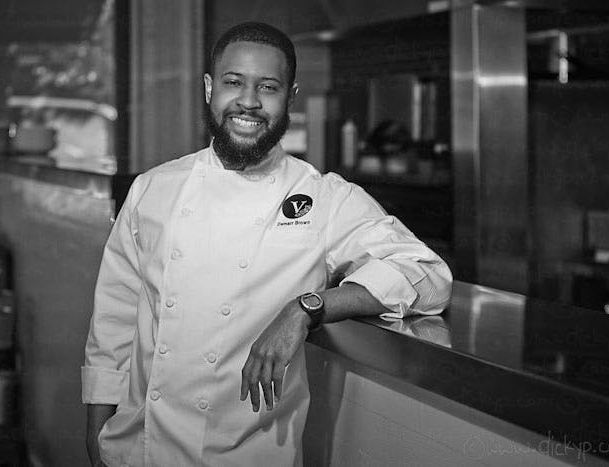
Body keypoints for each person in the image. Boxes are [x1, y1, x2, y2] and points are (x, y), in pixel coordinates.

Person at [82, 21, 452, 467]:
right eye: (233, 82)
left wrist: (306, 308)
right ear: (209, 88)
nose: (249, 102)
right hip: (136, 451)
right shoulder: (153, 189)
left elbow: (428, 275)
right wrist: (96, 437)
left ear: (290, 97)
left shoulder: (324, 198)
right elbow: (113, 321)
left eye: (268, 87)